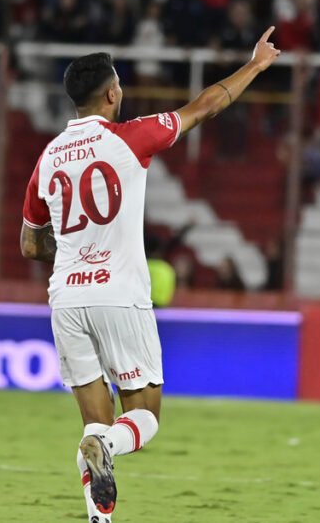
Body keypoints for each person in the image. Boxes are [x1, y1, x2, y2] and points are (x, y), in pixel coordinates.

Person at [20, 28, 280, 522]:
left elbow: (31, 244)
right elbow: (205, 106)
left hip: (66, 301)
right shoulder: (130, 137)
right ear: (113, 93)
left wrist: (76, 250)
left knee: (93, 427)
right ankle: (109, 448)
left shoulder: (47, 157)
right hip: (119, 294)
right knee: (142, 420)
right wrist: (255, 66)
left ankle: (100, 516)